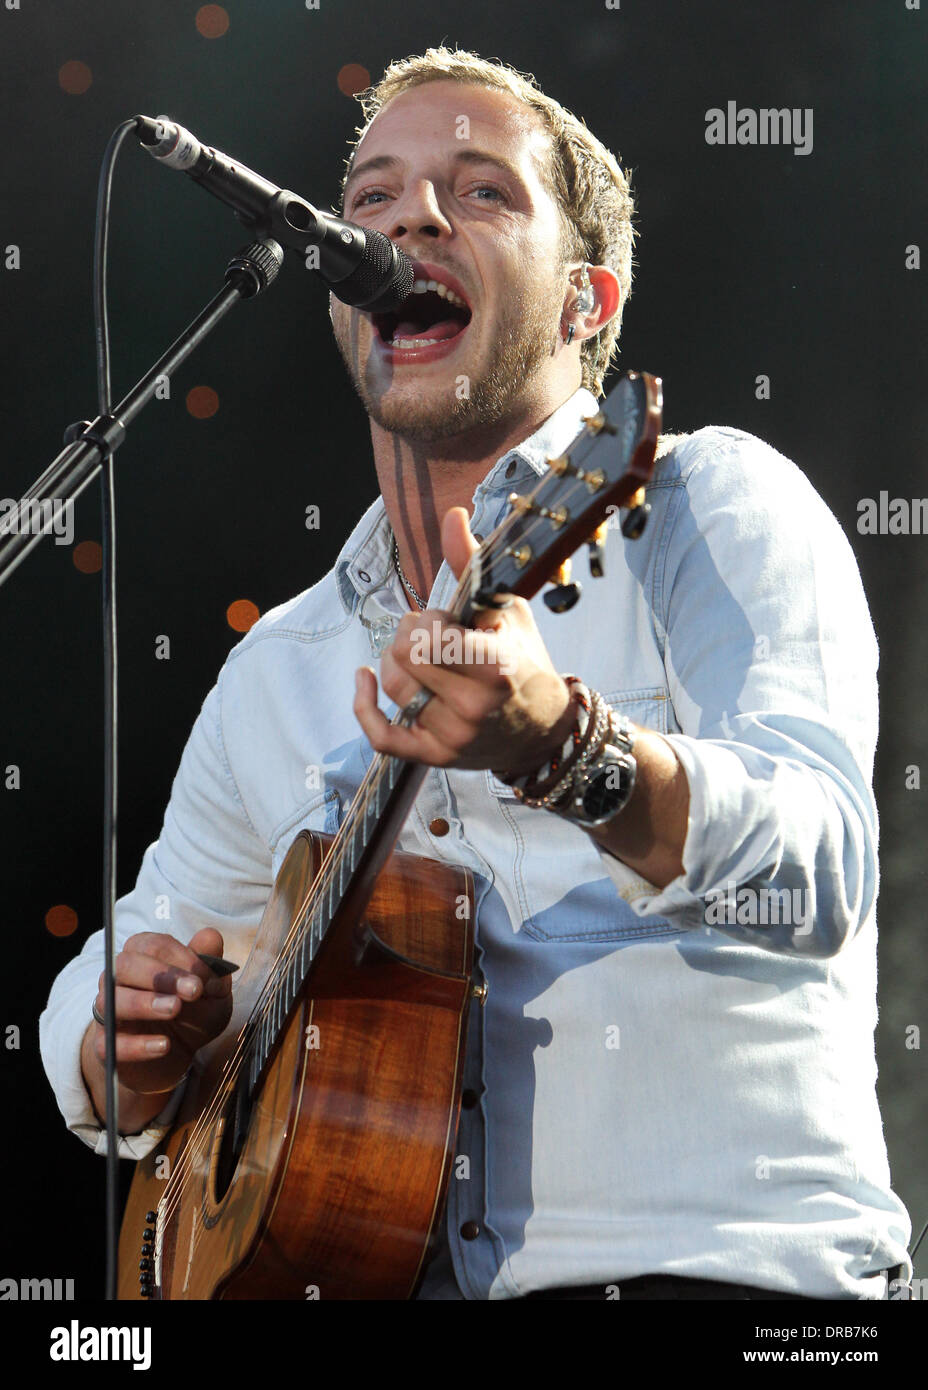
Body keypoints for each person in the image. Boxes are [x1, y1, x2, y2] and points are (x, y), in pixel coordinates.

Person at [40, 47, 910, 1301]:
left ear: (585, 302)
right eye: (376, 195)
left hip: (727, 1280)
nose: (411, 220)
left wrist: (569, 747)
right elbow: (142, 947)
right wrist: (125, 1043)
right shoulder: (278, 665)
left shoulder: (702, 503)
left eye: (481, 191)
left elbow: (820, 868)